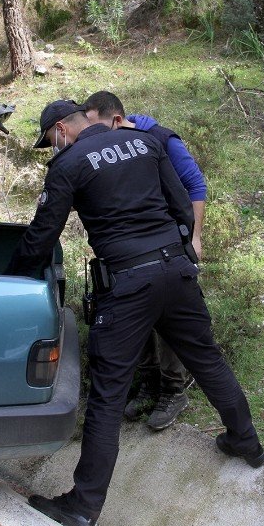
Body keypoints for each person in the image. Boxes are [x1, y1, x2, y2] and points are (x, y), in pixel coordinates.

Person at [6, 99, 264, 526]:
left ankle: (82, 508)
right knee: (207, 359)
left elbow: (42, 235)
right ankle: (246, 441)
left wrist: (9, 280)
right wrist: (180, 257)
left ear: (62, 130)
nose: (50, 147)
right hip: (176, 271)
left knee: (108, 395)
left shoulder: (68, 164)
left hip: (126, 285)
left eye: (48, 140)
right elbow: (182, 206)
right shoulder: (144, 142)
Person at [83, 90, 205, 431]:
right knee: (142, 315)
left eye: (94, 125)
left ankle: (174, 389)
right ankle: (151, 382)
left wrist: (195, 238)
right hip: (139, 247)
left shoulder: (161, 138)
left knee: (170, 321)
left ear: (117, 120)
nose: (91, 134)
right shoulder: (116, 147)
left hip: (172, 242)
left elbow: (195, 184)